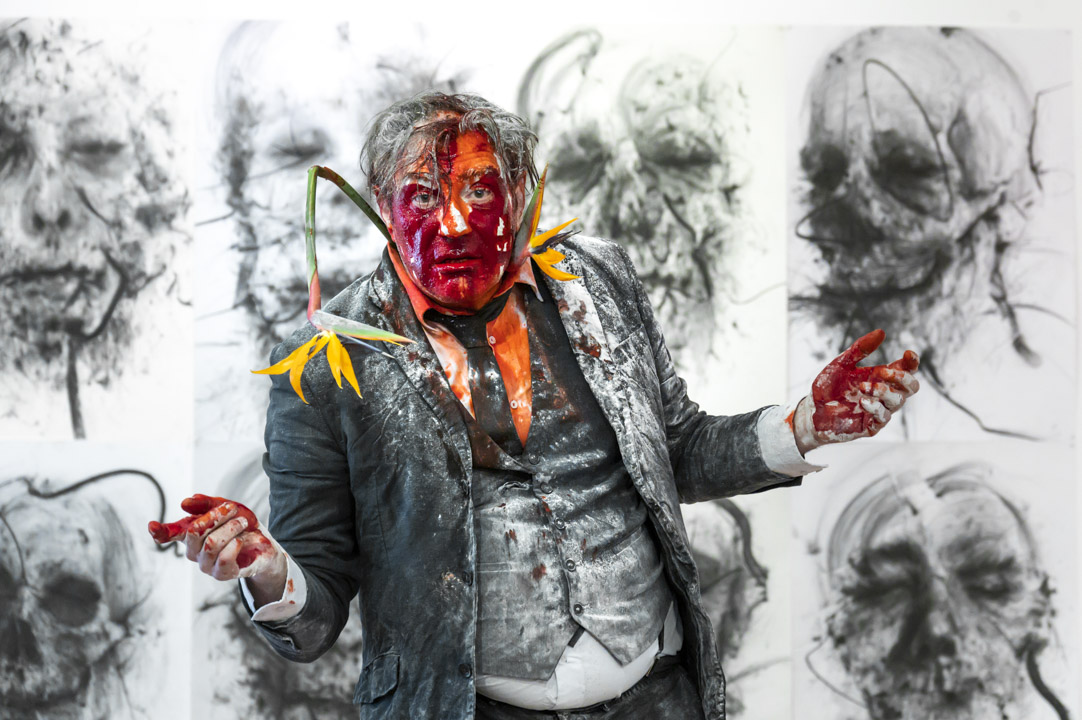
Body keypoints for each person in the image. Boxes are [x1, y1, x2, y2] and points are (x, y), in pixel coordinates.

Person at [171, 92, 919, 719]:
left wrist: (804, 426)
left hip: (656, 697)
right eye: (424, 196)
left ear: (522, 189)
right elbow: (315, 612)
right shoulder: (324, 362)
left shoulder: (601, 281)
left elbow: (677, 448)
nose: (453, 223)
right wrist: (266, 568)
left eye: (478, 190)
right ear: (382, 208)